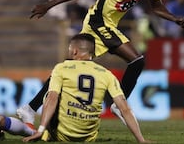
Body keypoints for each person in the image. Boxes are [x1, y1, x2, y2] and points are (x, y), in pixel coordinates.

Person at [17, 0, 184, 125]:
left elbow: (157, 7)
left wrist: (174, 18)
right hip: (97, 22)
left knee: (70, 70)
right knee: (137, 60)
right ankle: (118, 104)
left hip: (108, 26)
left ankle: (28, 108)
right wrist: (48, 5)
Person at [23, 33, 151, 143]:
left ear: (74, 51)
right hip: (88, 138)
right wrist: (141, 140)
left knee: (49, 95)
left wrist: (40, 129)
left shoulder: (61, 68)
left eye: (69, 49)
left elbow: (52, 99)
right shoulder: (106, 73)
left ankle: (45, 133)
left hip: (62, 135)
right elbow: (125, 108)